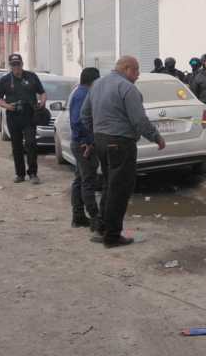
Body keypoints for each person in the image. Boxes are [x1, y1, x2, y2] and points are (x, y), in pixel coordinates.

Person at [81, 56, 166, 248]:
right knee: (119, 189)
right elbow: (139, 120)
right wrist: (156, 137)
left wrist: (97, 133)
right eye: (136, 71)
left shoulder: (97, 85)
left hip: (101, 141)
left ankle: (102, 229)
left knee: (109, 185)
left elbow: (84, 114)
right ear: (127, 69)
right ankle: (112, 236)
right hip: (121, 143)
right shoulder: (127, 88)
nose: (138, 75)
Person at [0, 53, 47, 184]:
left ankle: (33, 173)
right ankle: (20, 174)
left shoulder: (31, 77)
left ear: (22, 64)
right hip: (13, 116)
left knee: (31, 143)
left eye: (18, 64)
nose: (16, 67)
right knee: (16, 146)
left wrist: (42, 102)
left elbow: (42, 92)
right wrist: (7, 106)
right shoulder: (5, 80)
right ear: (10, 66)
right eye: (13, 65)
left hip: (29, 115)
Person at [68, 67, 102, 230]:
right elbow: (78, 121)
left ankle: (78, 216)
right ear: (94, 81)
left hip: (80, 142)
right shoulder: (83, 95)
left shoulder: (80, 93)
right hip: (83, 144)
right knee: (88, 181)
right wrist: (87, 141)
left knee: (80, 179)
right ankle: (95, 218)